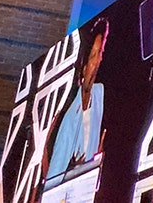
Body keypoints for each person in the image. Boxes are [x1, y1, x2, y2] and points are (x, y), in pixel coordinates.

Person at [44, 18, 108, 182]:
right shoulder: (66, 107)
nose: (98, 61)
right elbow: (48, 159)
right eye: (93, 55)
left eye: (100, 53)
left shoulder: (99, 95)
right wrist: (69, 173)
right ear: (83, 64)